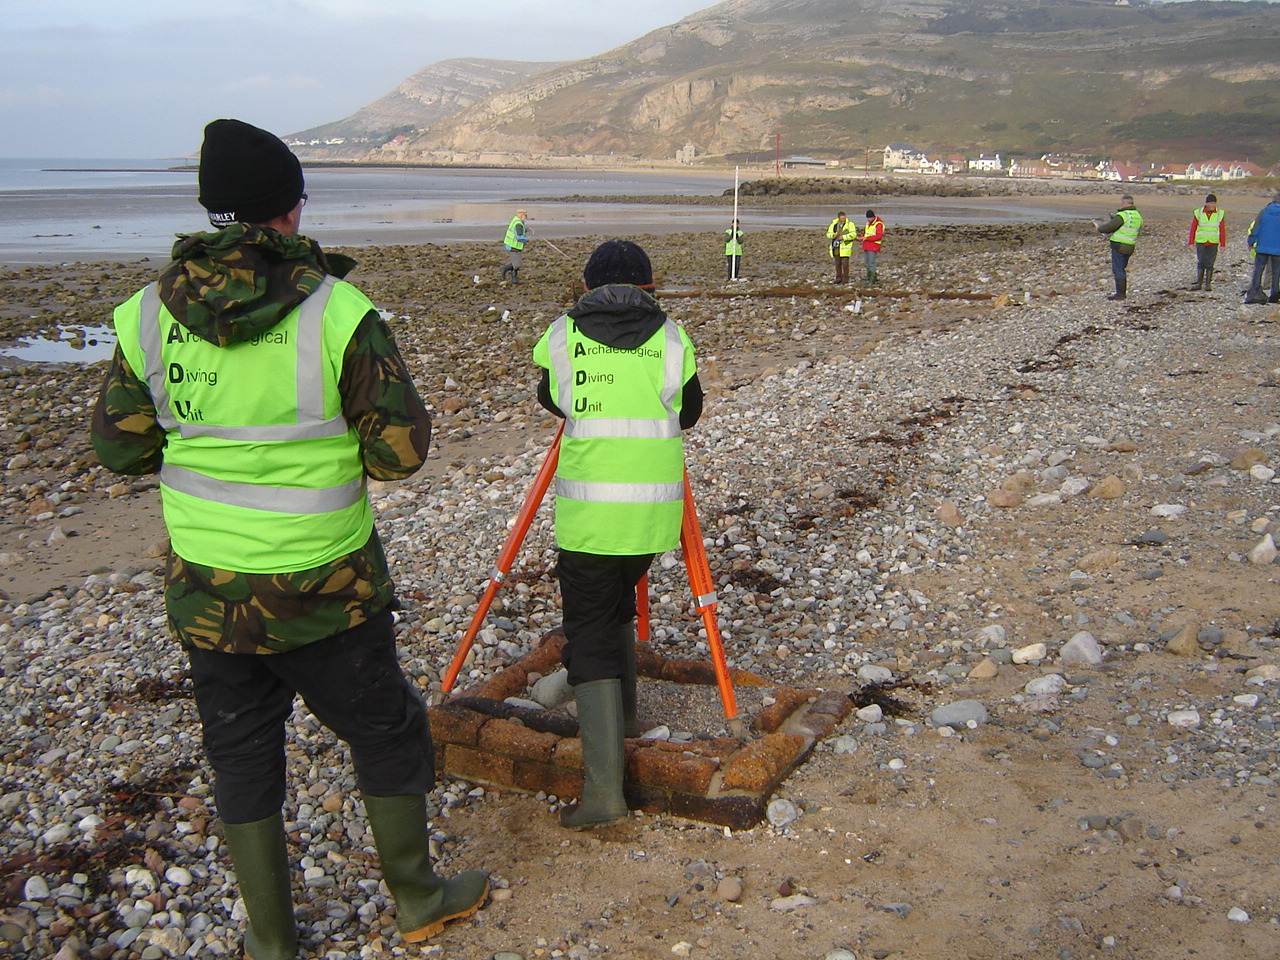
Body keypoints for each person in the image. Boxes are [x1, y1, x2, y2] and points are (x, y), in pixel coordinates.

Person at [90, 119, 487, 959]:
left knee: (240, 754)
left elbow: (120, 447)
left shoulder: (145, 317)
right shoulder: (339, 312)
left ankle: (273, 943)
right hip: (326, 591)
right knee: (384, 729)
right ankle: (417, 896)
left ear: (213, 208)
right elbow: (401, 453)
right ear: (291, 211)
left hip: (208, 591)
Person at [532, 240, 704, 828]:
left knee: (592, 626)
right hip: (653, 516)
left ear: (586, 288)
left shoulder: (562, 336)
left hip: (589, 518)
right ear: (651, 288)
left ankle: (604, 794)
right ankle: (620, 718)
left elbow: (550, 396)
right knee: (613, 609)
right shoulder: (674, 338)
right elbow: (689, 411)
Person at [1096, 194, 1143, 301]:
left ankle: (1120, 294)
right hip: (1130, 245)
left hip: (1119, 245)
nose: (1121, 205)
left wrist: (1099, 229)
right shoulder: (1138, 215)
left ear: (1125, 203)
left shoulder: (1123, 215)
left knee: (1118, 269)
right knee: (1122, 268)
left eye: (1122, 203)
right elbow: (1138, 228)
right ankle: (1121, 293)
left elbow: (1110, 227)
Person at [1245, 191, 1280, 304]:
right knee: (1276, 272)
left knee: (1258, 270)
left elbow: (1256, 227)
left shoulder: (1264, 212)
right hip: (1277, 248)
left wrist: (1251, 241)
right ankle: (1274, 294)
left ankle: (1255, 291)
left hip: (1262, 247)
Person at [1187, 193, 1226, 291]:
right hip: (1201, 242)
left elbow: (1222, 230)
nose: (1213, 205)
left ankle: (1208, 284)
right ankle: (1199, 283)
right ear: (1207, 204)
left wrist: (1223, 244)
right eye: (1211, 203)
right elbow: (1193, 228)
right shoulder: (1198, 213)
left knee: (1210, 263)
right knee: (1201, 262)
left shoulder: (1220, 214)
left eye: (1214, 203)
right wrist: (1191, 242)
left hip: (1213, 242)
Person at [826, 211, 857, 283]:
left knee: (845, 264)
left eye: (844, 218)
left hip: (845, 247)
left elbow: (853, 234)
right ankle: (838, 278)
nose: (843, 219)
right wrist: (833, 235)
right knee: (837, 263)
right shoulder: (834, 225)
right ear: (839, 218)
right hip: (836, 247)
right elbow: (828, 234)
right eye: (842, 218)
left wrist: (843, 237)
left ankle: (845, 279)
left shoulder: (850, 224)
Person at [501, 208, 528, 283]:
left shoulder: (516, 220)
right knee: (517, 264)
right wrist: (526, 240)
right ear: (521, 215)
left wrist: (526, 230)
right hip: (514, 246)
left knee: (516, 263)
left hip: (513, 245)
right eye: (525, 215)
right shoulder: (518, 223)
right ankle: (504, 269)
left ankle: (514, 279)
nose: (526, 216)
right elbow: (519, 236)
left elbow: (518, 231)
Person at [861, 209, 885, 285]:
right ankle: (869, 278)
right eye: (867, 218)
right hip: (867, 245)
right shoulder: (868, 224)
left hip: (873, 246)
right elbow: (865, 234)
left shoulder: (878, 224)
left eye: (870, 218)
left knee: (871, 263)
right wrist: (860, 238)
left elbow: (879, 236)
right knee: (867, 262)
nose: (868, 219)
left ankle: (872, 280)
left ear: (873, 217)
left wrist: (866, 238)